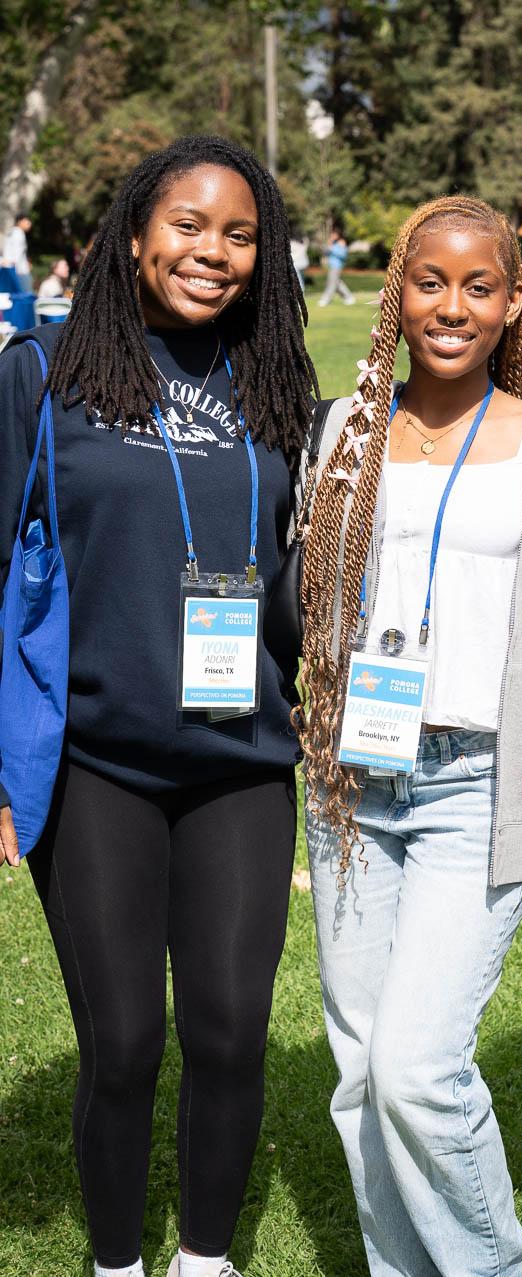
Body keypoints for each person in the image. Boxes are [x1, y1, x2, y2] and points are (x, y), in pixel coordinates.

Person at [0, 135, 320, 1277]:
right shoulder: (45, 370)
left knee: (231, 1032)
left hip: (240, 763)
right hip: (97, 763)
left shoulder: (280, 383)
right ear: (135, 235)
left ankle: (205, 1259)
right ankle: (116, 1263)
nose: (213, 252)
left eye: (240, 234)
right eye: (187, 224)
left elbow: (302, 575)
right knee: (124, 1042)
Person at [296, 195, 522, 1277]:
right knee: (364, 1066)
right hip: (351, 784)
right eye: (429, 282)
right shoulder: (343, 431)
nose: (450, 306)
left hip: (476, 779)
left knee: (420, 1064)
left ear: (514, 302)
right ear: (397, 293)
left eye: (477, 285)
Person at [319, 225, 355, 306]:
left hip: (337, 266)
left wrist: (332, 249)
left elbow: (343, 255)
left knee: (331, 283)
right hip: (331, 265)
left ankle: (325, 299)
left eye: (334, 234)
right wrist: (329, 243)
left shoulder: (341, 242)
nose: (332, 236)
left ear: (338, 235)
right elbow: (326, 253)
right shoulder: (333, 243)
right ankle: (349, 297)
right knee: (337, 283)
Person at [2, 212, 32, 290]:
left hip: (10, 270)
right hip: (19, 272)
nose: (29, 223)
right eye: (27, 221)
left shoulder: (12, 232)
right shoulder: (18, 233)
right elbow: (16, 255)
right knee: (24, 297)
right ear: (20, 222)